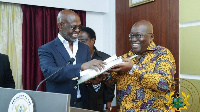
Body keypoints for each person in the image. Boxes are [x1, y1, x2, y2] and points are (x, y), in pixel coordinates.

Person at [38, 9, 105, 109]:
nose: (77, 30)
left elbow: (85, 76)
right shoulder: (47, 49)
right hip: (59, 104)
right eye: (73, 27)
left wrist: (94, 80)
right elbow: (50, 73)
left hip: (83, 103)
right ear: (60, 25)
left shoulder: (84, 48)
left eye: (79, 27)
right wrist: (81, 67)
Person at [105, 20, 176, 112]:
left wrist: (133, 68)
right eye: (131, 36)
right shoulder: (125, 57)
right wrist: (100, 77)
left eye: (139, 35)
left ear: (151, 37)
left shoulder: (162, 54)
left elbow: (164, 84)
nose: (133, 39)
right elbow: (110, 81)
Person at [78, 27, 115, 112]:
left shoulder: (105, 58)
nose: (80, 45)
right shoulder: (75, 59)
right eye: (78, 42)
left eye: (83, 41)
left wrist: (108, 106)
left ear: (92, 40)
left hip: (98, 102)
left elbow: (110, 85)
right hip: (80, 103)